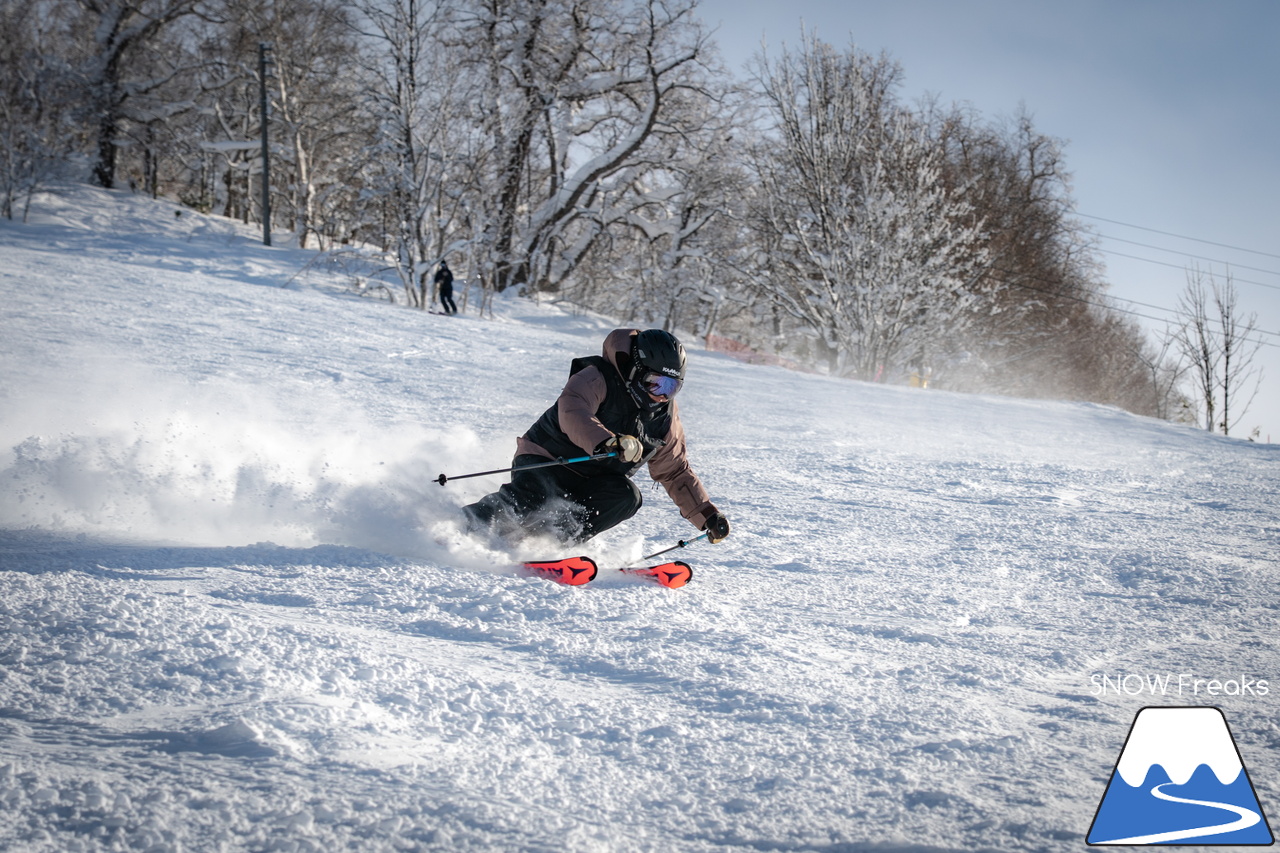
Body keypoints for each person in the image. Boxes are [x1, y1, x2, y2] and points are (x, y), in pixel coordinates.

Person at [463, 328, 731, 547]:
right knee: (534, 498)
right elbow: (573, 411)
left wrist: (707, 516)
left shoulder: (665, 418)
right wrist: (607, 441)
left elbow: (675, 472)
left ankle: (550, 544)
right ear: (636, 371)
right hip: (549, 460)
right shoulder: (597, 377)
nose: (662, 395)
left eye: (672, 387)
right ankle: (464, 525)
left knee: (626, 497)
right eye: (656, 383)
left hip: (594, 480)